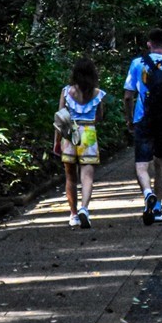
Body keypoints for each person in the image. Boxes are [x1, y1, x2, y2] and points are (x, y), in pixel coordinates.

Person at [124, 29, 162, 225]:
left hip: (143, 118)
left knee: (142, 164)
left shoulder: (138, 63)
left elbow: (128, 96)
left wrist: (129, 119)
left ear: (149, 44)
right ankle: (158, 207)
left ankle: (147, 193)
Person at [53, 58, 105, 228]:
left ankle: (74, 214)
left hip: (70, 134)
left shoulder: (66, 92)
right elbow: (99, 117)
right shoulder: (98, 94)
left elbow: (59, 118)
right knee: (87, 175)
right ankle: (84, 208)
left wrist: (56, 142)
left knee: (70, 177)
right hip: (88, 133)